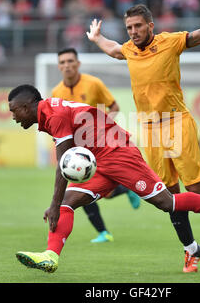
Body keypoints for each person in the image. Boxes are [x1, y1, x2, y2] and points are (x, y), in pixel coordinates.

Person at [86, 0, 200, 272]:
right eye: (129, 28)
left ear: (150, 26)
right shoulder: (129, 50)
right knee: (168, 196)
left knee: (194, 188)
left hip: (176, 122)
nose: (133, 32)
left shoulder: (170, 42)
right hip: (149, 128)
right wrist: (97, 38)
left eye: (138, 26)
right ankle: (191, 249)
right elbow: (113, 49)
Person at [9, 84, 200, 273]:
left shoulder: (55, 115)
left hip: (117, 153)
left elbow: (62, 166)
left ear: (28, 105)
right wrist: (56, 203)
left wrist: (52, 204)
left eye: (14, 111)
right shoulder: (49, 113)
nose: (14, 117)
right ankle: (51, 256)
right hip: (98, 161)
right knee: (66, 203)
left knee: (167, 203)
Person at [52, 47, 141, 243]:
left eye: (70, 61)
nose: (67, 65)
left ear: (78, 64)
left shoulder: (93, 84)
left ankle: (129, 190)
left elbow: (114, 107)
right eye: (63, 62)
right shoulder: (56, 92)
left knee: (93, 188)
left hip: (100, 144)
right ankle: (104, 230)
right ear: (59, 67)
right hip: (78, 149)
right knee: (80, 186)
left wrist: (101, 128)